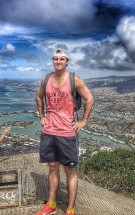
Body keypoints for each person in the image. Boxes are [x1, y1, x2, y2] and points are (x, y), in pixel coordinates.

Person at [35, 48, 94, 215]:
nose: (58, 62)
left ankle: (70, 209)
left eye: (62, 59)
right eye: (55, 59)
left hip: (67, 133)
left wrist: (83, 121)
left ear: (67, 61)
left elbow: (89, 98)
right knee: (52, 166)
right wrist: (42, 115)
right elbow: (39, 97)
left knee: (69, 169)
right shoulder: (46, 80)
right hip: (49, 131)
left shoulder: (75, 79)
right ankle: (51, 205)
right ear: (53, 61)